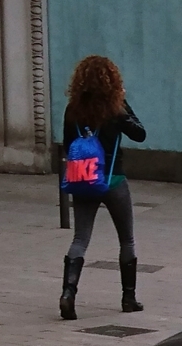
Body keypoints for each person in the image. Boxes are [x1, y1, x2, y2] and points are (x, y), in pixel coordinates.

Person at [57, 55, 147, 320]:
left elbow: (67, 143)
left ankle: (68, 293)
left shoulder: (73, 109)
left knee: (80, 239)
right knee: (126, 239)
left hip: (83, 181)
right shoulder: (115, 107)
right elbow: (140, 134)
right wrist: (122, 108)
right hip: (113, 180)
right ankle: (128, 298)